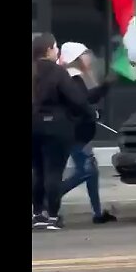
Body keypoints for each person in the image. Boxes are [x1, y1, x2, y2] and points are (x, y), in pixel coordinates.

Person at [32, 33, 95, 230]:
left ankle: (37, 214)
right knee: (53, 172)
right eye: (55, 47)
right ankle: (52, 216)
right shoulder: (58, 73)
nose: (57, 51)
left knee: (38, 171)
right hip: (56, 128)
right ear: (49, 50)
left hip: (34, 127)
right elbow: (76, 99)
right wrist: (88, 114)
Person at [56, 41, 118, 224]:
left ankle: (98, 213)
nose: (89, 56)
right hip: (77, 135)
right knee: (86, 171)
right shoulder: (72, 78)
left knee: (92, 171)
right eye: (85, 53)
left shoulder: (76, 77)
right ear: (76, 58)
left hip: (81, 134)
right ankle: (50, 198)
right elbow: (80, 104)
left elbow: (86, 99)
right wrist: (93, 112)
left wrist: (105, 87)